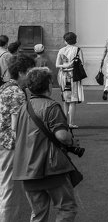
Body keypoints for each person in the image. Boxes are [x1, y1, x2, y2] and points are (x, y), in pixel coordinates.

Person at [12, 67, 79, 220]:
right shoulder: (51, 106)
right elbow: (62, 136)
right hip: (50, 166)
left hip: (27, 168)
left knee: (38, 213)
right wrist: (72, 141)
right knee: (67, 208)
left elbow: (15, 131)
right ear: (49, 84)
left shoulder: (23, 107)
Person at [0, 52, 35, 219]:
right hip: (9, 145)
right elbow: (17, 126)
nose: (32, 75)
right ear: (21, 72)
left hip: (2, 142)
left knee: (5, 187)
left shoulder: (5, 87)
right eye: (30, 71)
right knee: (10, 190)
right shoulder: (16, 92)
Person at [55, 32, 85, 129]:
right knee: (73, 100)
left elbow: (57, 65)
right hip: (73, 76)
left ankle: (64, 122)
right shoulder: (78, 50)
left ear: (65, 40)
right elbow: (82, 63)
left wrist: (65, 65)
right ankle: (71, 123)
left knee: (65, 100)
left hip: (63, 75)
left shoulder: (61, 50)